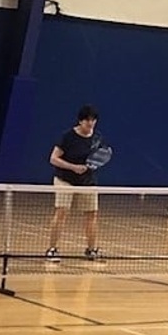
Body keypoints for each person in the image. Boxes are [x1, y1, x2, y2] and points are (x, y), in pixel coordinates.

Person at [46, 104, 105, 262]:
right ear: (80, 121)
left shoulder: (97, 137)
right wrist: (73, 167)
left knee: (92, 214)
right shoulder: (67, 136)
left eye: (93, 120)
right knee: (62, 213)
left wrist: (88, 167)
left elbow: (96, 158)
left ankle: (91, 250)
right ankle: (52, 250)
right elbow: (53, 158)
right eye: (87, 121)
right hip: (65, 180)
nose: (91, 124)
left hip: (87, 182)